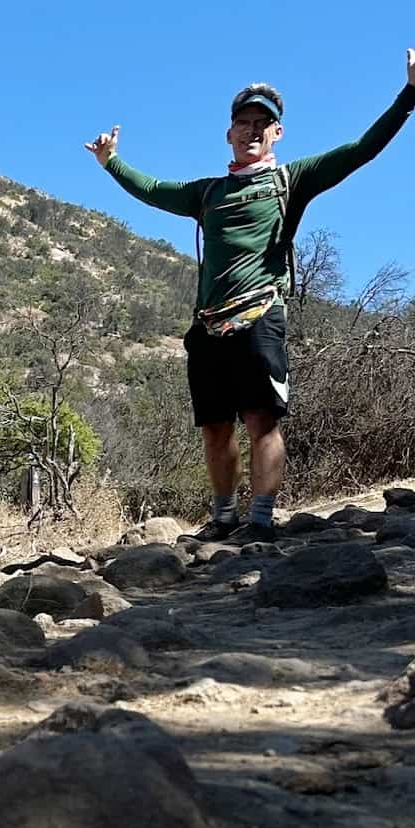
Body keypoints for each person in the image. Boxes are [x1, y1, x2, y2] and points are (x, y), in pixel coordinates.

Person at [85, 50, 415, 541]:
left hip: (261, 316)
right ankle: (222, 518)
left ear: (277, 133)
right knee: (215, 428)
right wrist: (111, 162)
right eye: (244, 122)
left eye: (264, 122)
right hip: (208, 325)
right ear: (229, 133)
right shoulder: (207, 193)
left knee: (262, 421)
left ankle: (260, 521)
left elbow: (361, 150)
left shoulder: (291, 180)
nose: (253, 130)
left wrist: (408, 95)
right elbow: (153, 188)